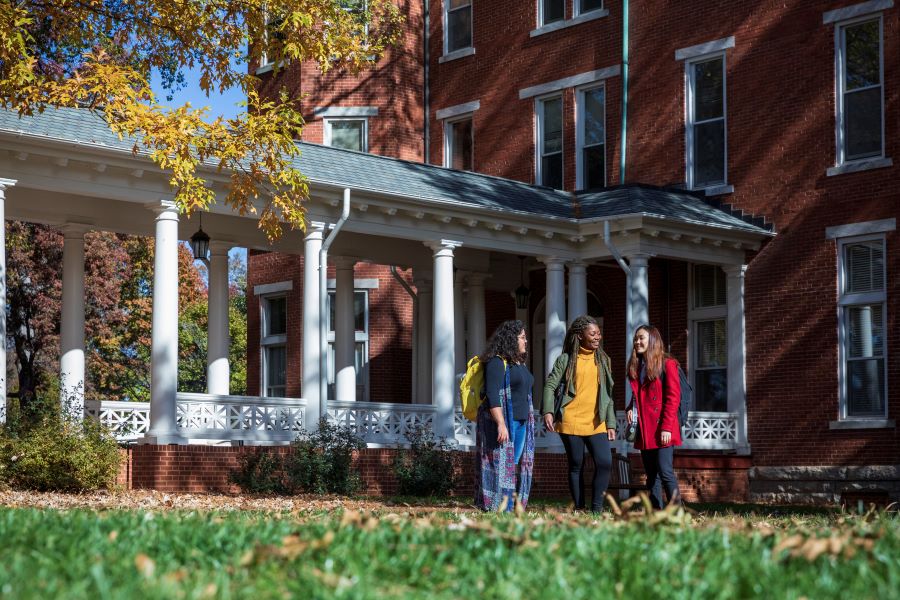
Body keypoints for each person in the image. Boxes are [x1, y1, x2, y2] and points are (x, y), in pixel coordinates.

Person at [542, 315, 616, 512]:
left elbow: (608, 395)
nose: (597, 337)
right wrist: (548, 411)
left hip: (596, 421)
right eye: (592, 333)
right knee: (576, 465)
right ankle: (580, 507)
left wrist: (611, 423)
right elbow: (550, 385)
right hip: (571, 420)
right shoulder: (566, 359)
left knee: (605, 462)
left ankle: (597, 508)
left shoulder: (603, 360)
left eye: (598, 333)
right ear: (580, 335)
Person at [474, 319, 535, 511]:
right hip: (504, 422)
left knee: (510, 466)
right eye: (522, 337)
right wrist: (501, 423)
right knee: (499, 466)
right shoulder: (496, 362)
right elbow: (492, 394)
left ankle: (506, 506)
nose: (526, 341)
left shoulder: (518, 364)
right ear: (511, 339)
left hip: (521, 422)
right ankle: (498, 506)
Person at [626, 324, 682, 509]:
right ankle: (656, 510)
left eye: (641, 338)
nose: (637, 342)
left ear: (653, 339)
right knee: (651, 474)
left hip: (662, 427)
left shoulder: (668, 364)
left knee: (665, 471)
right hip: (644, 427)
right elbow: (640, 396)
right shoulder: (639, 365)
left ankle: (677, 512)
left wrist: (666, 427)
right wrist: (629, 408)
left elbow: (673, 398)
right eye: (636, 338)